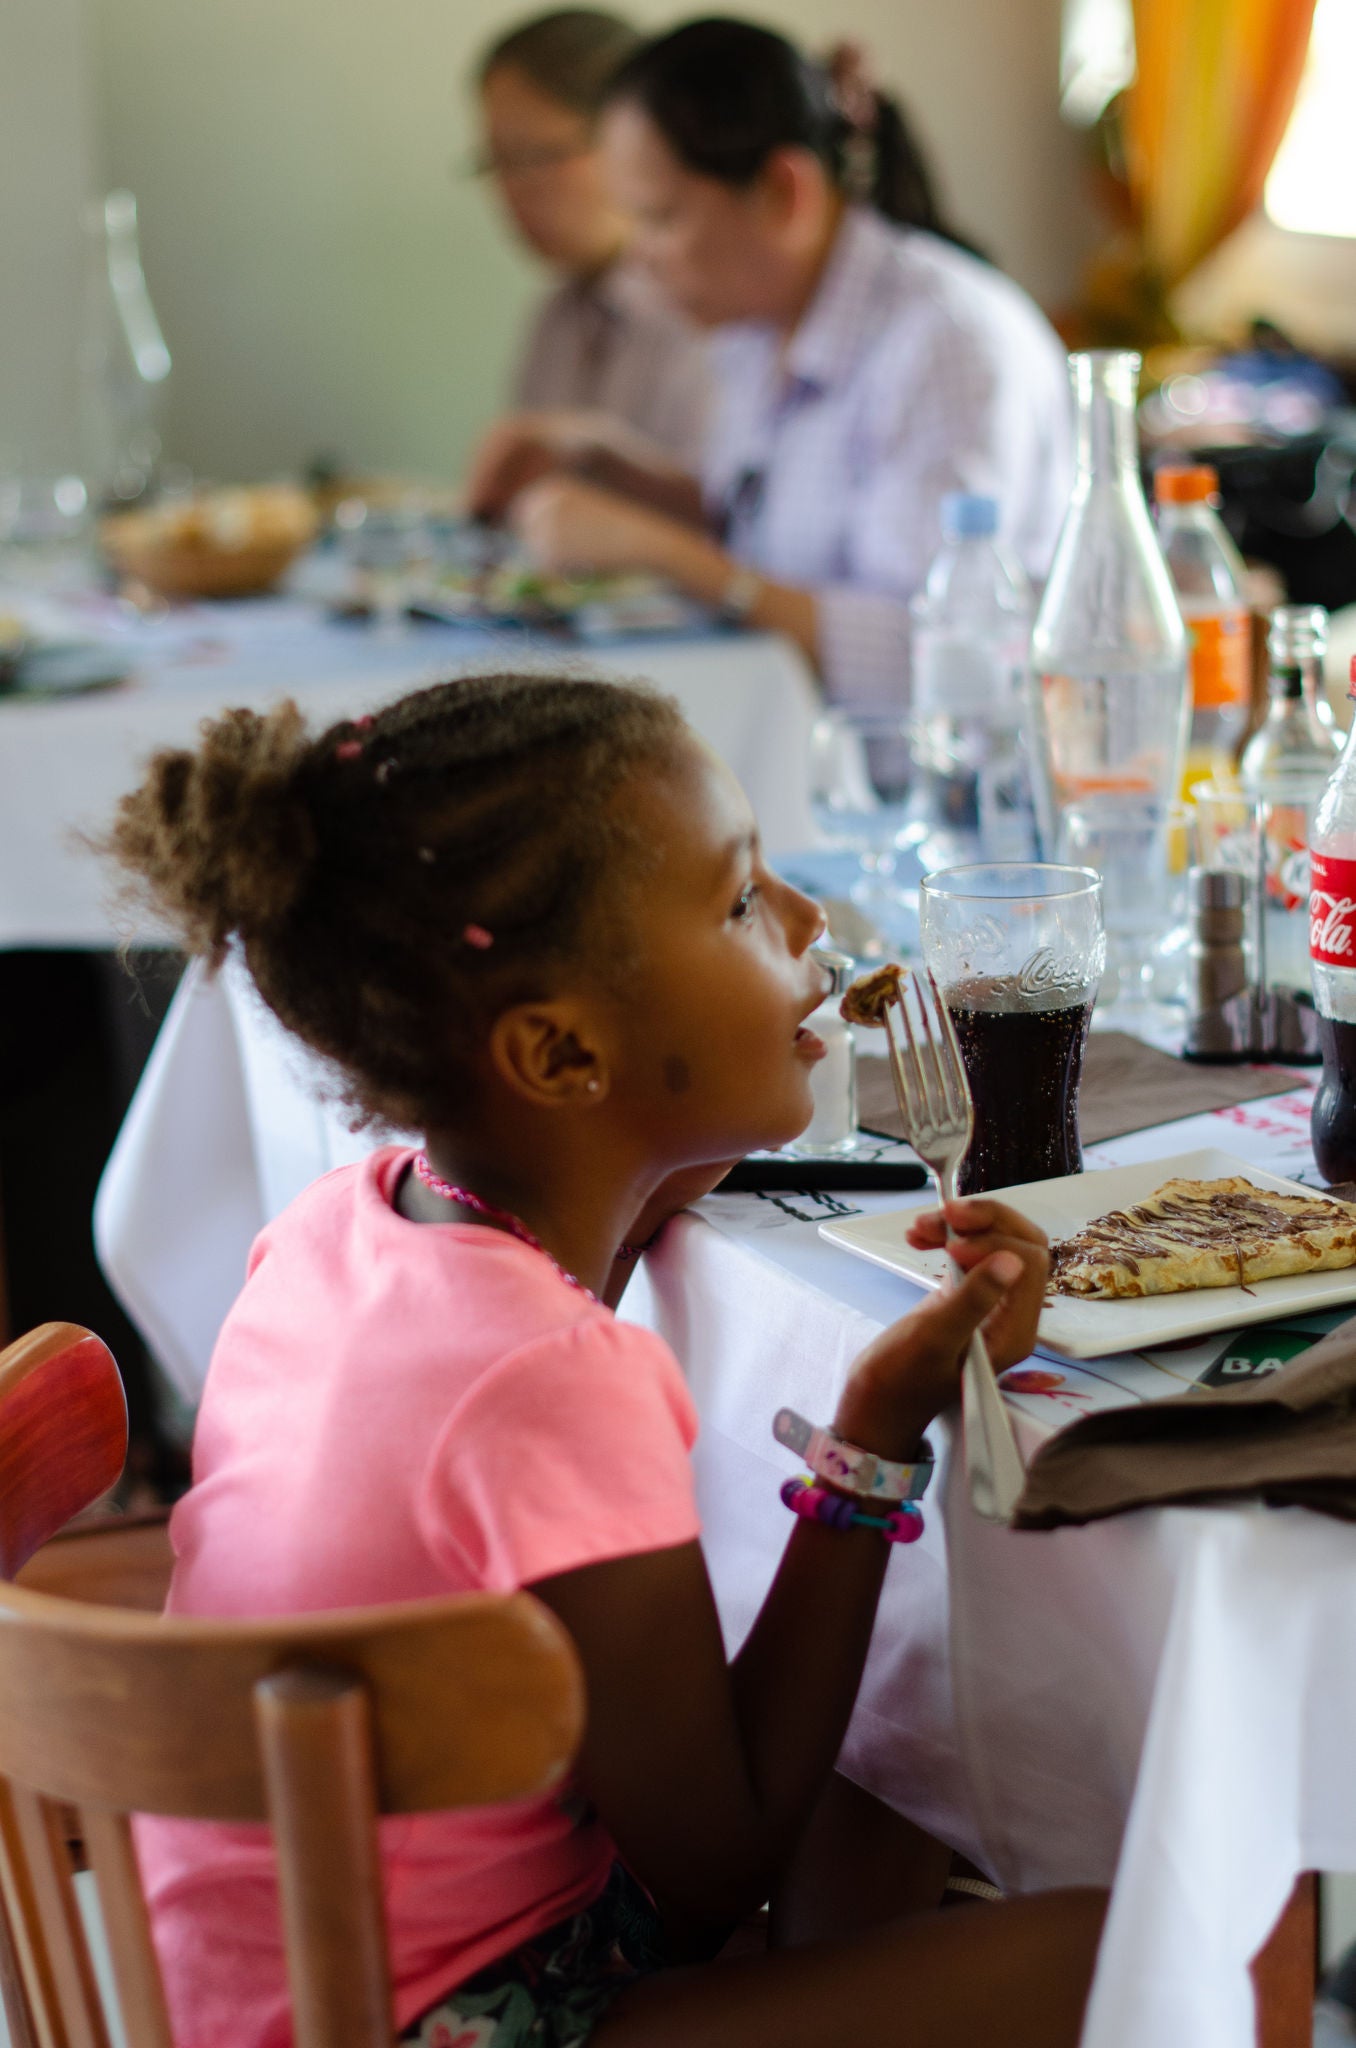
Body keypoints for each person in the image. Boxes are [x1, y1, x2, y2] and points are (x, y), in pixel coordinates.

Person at [108, 674, 1103, 2048]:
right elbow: (716, 1870)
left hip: (263, 1988)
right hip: (460, 2013)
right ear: (565, 1051)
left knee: (885, 1766)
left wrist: (665, 1152)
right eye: (743, 903)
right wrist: (877, 1426)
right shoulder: (554, 1379)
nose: (812, 925)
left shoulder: (338, 1231)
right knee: (1155, 1943)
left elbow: (542, 1295)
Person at [467, 19, 1074, 709]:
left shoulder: (942, 342)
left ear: (786, 191)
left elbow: (928, 657)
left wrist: (660, 551)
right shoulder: (759, 325)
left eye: (660, 219)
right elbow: (763, 522)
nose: (638, 255)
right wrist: (606, 460)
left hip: (927, 790)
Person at [473, 9, 710, 459]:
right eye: (497, 162)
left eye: (537, 156)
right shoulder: (556, 320)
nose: (512, 190)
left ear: (630, 138)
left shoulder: (704, 316)